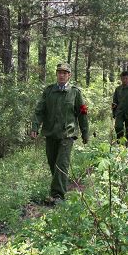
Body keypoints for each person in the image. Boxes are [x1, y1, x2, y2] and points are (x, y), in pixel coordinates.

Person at [31, 63, 89, 204]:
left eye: (65, 73)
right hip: (51, 133)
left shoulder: (75, 92)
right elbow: (40, 110)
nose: (62, 75)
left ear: (69, 75)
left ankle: (58, 196)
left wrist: (85, 133)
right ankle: (61, 186)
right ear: (56, 74)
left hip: (67, 135)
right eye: (59, 72)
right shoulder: (49, 91)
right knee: (52, 163)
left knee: (61, 164)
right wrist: (35, 127)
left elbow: (82, 114)